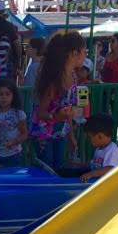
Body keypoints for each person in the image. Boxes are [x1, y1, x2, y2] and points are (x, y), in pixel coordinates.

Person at [31, 31, 85, 170]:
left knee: (58, 168)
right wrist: (56, 116)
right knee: (47, 172)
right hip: (44, 134)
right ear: (74, 53)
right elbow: (40, 113)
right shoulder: (55, 79)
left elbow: (69, 110)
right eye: (84, 52)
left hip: (60, 133)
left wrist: (71, 135)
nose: (85, 55)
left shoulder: (73, 76)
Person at [79, 113, 118, 183]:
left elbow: (110, 168)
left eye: (89, 137)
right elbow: (93, 165)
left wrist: (91, 174)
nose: (88, 140)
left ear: (100, 136)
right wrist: (79, 165)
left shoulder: (112, 149)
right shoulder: (99, 149)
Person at [0, 0, 21, 81]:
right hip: (7, 64)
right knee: (7, 88)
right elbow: (17, 44)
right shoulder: (9, 26)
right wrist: (18, 60)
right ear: (3, 11)